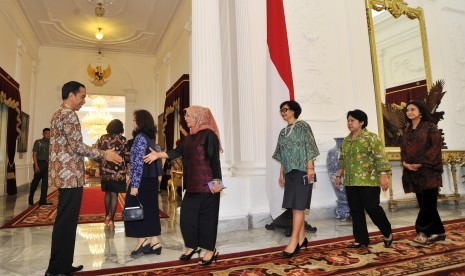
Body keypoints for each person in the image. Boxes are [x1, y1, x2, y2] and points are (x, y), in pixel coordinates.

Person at [45, 81, 122, 276]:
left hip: (64, 175)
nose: (84, 101)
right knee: (66, 222)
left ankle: (62, 265)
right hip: (70, 176)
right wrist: (105, 155)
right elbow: (77, 147)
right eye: (82, 96)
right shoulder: (69, 115)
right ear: (71, 95)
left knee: (67, 221)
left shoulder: (58, 113)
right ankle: (56, 269)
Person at [143, 106, 223, 266]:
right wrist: (158, 154)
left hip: (208, 185)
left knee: (208, 220)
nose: (185, 119)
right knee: (187, 217)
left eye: (189, 116)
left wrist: (217, 181)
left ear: (199, 117)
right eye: (186, 116)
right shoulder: (189, 137)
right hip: (192, 185)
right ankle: (192, 246)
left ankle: (210, 250)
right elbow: (176, 152)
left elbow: (215, 159)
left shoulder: (209, 135)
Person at [335, 109, 393, 248]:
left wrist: (383, 176)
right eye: (348, 121)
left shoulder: (371, 138)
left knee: (372, 208)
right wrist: (338, 175)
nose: (349, 123)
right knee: (355, 210)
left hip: (369, 180)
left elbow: (380, 157)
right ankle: (361, 239)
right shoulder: (347, 140)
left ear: (361, 122)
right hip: (351, 181)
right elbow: (342, 159)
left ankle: (388, 233)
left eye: (352, 120)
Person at [272, 100, 320, 258]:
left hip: (302, 171)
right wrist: (281, 173)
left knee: (299, 207)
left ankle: (293, 242)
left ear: (293, 111)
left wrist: (310, 168)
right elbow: (282, 155)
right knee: (294, 207)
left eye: (285, 109)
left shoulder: (303, 126)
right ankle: (301, 238)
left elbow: (310, 147)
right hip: (289, 173)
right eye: (281, 110)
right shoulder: (282, 132)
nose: (282, 112)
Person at [401, 101, 445, 244]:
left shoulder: (430, 127)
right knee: (425, 204)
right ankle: (439, 232)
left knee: (428, 205)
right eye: (407, 110)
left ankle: (423, 231)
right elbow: (403, 149)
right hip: (414, 173)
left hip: (429, 171)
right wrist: (405, 163)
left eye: (413, 109)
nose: (409, 112)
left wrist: (421, 163)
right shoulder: (407, 130)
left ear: (420, 112)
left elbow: (435, 148)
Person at [124, 110, 163, 257]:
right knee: (150, 210)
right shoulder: (149, 137)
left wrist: (134, 184)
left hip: (142, 181)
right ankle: (155, 242)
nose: (133, 123)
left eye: (134, 120)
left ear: (141, 122)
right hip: (150, 180)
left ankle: (142, 241)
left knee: (133, 210)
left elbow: (138, 163)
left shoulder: (140, 138)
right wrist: (131, 177)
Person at [95, 119, 130, 229]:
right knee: (114, 194)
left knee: (108, 193)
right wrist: (128, 169)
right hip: (119, 171)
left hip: (106, 170)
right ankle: (112, 220)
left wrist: (97, 168)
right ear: (121, 128)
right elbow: (127, 156)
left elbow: (98, 155)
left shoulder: (103, 138)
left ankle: (106, 216)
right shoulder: (124, 140)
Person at [28, 128, 52, 205]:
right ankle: (30, 197)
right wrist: (36, 165)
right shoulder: (38, 142)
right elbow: (34, 154)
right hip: (39, 164)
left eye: (49, 133)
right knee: (35, 181)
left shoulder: (52, 143)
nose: (48, 134)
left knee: (45, 183)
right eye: (46, 133)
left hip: (47, 165)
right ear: (43, 134)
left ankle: (43, 200)